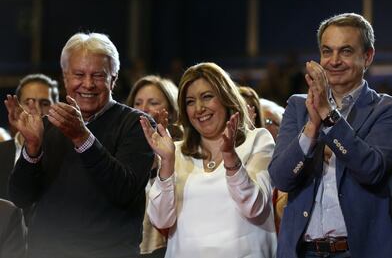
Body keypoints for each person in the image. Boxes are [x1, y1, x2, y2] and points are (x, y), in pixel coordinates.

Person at [268, 13, 392, 258]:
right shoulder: (297, 106)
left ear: (367, 57)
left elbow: (371, 170)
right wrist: (312, 129)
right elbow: (281, 177)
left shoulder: (391, 110)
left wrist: (327, 114)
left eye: (345, 51)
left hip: (359, 251)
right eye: (327, 51)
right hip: (303, 251)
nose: (334, 61)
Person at [5, 32, 154, 258]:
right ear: (65, 78)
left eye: (97, 75)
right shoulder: (47, 127)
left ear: (113, 78)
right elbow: (21, 197)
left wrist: (82, 138)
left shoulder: (136, 125)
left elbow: (123, 190)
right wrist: (32, 148)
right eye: (78, 74)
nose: (88, 84)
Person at [140, 62, 277, 257]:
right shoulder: (175, 152)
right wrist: (167, 163)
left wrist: (230, 157)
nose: (199, 108)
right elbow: (161, 220)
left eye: (207, 97)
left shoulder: (258, 140)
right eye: (190, 102)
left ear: (225, 98)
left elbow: (255, 207)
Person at [126, 75, 183, 257]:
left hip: (164, 248)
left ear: (172, 111)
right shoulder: (120, 150)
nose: (143, 110)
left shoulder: (183, 153)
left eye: (153, 102)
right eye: (138, 103)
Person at [0, 74, 59, 201]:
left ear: (55, 108)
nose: (36, 110)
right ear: (16, 107)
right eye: (28, 103)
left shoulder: (65, 155)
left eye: (44, 103)